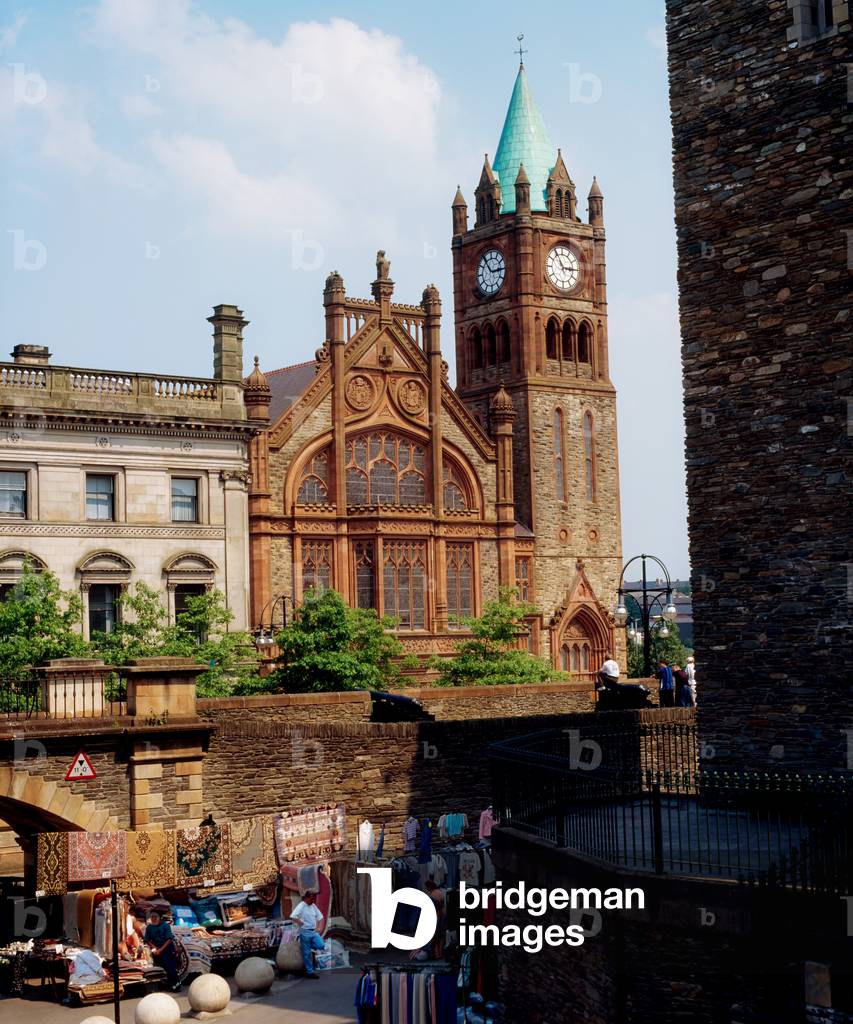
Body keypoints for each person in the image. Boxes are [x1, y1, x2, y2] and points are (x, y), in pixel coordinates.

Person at [291, 889, 325, 979]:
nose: (313, 900)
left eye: (313, 898)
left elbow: (321, 917)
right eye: (311, 898)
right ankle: (310, 972)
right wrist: (300, 922)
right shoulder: (301, 905)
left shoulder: (313, 906)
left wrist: (320, 927)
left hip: (313, 932)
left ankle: (310, 948)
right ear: (306, 898)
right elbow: (293, 916)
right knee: (306, 954)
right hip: (305, 932)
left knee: (321, 945)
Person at [145, 910, 180, 989]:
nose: (153, 918)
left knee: (169, 965)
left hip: (167, 948)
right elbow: (147, 940)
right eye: (152, 917)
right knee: (161, 966)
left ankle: (176, 984)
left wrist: (160, 950)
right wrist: (154, 947)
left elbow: (169, 939)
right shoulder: (149, 927)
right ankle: (168, 984)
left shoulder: (165, 926)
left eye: (155, 917)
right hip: (157, 948)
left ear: (160, 918)